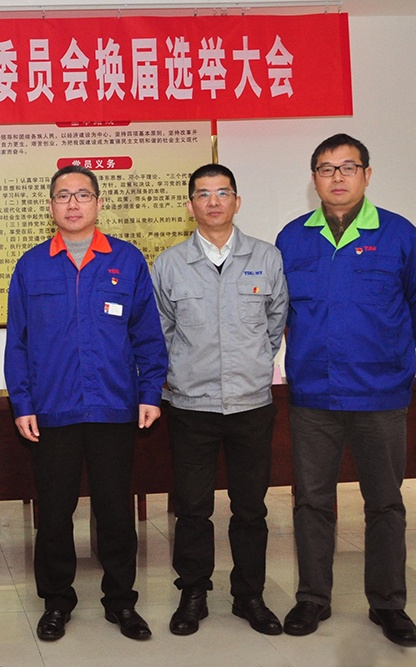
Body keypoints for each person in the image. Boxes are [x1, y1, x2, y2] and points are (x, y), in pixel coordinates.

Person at [4, 165, 167, 642]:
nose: (73, 204)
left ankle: (121, 601)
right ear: (50, 206)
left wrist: (150, 392)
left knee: (115, 511)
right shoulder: (31, 265)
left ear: (98, 203)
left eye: (82, 195)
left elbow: (147, 335)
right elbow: (18, 344)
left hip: (113, 407)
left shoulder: (127, 260)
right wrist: (22, 403)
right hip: (53, 410)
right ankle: (57, 601)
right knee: (55, 514)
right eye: (63, 196)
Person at [275, 133, 416, 647]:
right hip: (314, 393)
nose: (337, 177)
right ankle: (313, 597)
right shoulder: (292, 238)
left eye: (348, 167)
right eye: (326, 168)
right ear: (314, 179)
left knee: (385, 503)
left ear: (367, 174)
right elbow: (278, 313)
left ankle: (388, 604)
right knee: (312, 501)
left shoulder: (400, 235)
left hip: (381, 392)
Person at [151, 164, 289, 637]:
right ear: (190, 204)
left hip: (251, 405)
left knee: (251, 508)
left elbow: (275, 325)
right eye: (203, 194)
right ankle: (193, 592)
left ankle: (250, 595)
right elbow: (161, 333)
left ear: (237, 201)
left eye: (222, 192)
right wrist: (180, 377)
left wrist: (253, 365)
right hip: (192, 406)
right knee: (193, 508)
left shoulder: (266, 257)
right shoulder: (169, 264)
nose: (213, 202)